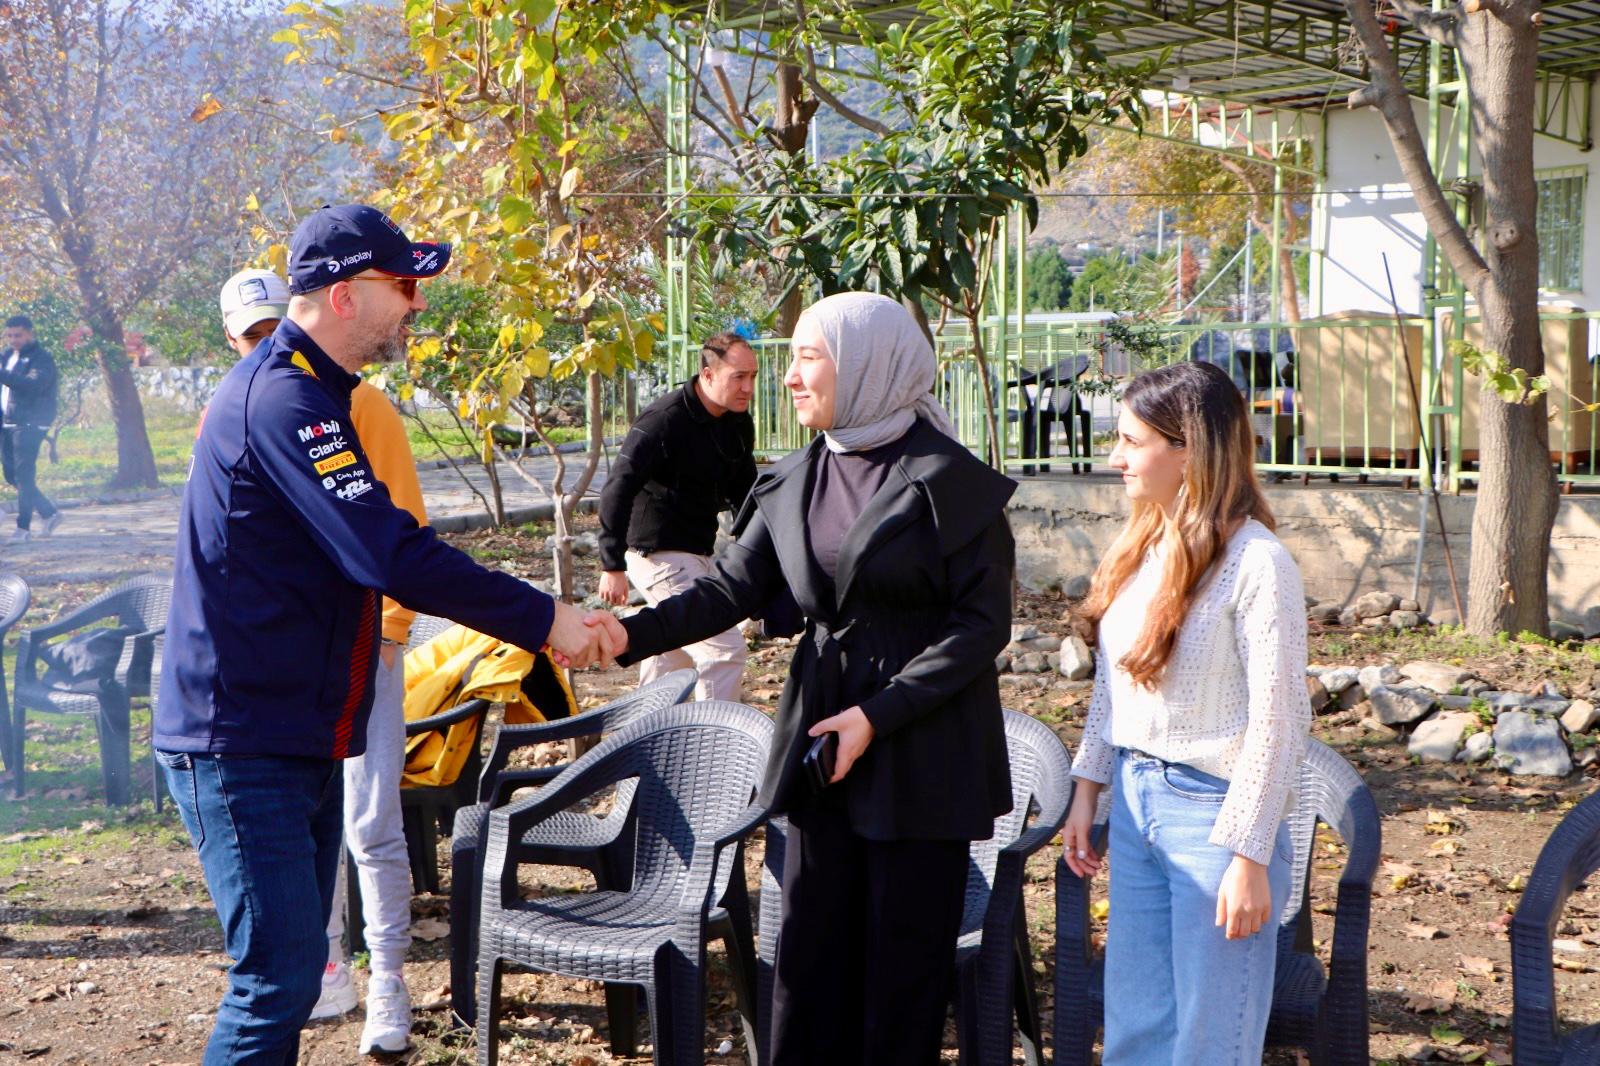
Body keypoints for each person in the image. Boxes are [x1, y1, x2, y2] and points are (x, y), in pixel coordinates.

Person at [157, 204, 614, 1065]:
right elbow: (389, 550)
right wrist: (546, 618)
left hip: (290, 730)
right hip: (238, 738)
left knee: (288, 981)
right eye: (403, 285)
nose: (416, 303)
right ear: (342, 296)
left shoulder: (317, 393)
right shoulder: (285, 400)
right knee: (277, 984)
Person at [585, 292, 1015, 1065]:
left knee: (901, 973)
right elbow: (724, 592)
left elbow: (980, 628)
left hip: (923, 749)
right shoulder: (795, 479)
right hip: (821, 743)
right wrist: (623, 633)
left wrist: (876, 717)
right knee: (810, 958)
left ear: (868, 364)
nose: (787, 378)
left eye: (808, 356)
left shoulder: (952, 482)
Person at [1060, 360, 1312, 1064]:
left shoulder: (1260, 564)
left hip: (1216, 821)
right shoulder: (1145, 544)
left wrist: (1249, 852)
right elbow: (1117, 684)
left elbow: (1279, 720)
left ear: (1188, 449)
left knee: (1211, 1040)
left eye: (1131, 441)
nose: (1115, 457)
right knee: (1137, 1030)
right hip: (1138, 810)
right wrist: (1090, 786)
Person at [217, 267, 424, 1053]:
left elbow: (401, 529)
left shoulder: (361, 404)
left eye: (277, 328)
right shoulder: (243, 404)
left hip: (368, 648)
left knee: (370, 822)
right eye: (252, 337)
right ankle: (327, 965)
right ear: (233, 341)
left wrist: (393, 632)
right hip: (291, 667)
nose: (268, 346)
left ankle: (391, 982)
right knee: (313, 831)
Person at [595, 331, 758, 701]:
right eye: (739, 377)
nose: (748, 388)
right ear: (708, 374)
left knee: (671, 656)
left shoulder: (736, 422)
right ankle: (712, 748)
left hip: (696, 553)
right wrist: (611, 564)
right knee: (724, 651)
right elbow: (618, 487)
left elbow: (745, 494)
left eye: (753, 377)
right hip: (656, 555)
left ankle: (640, 743)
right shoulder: (663, 421)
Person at [0, 315, 61, 543]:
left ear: (29, 334)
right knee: (12, 475)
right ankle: (49, 512)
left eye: (18, 335)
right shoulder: (6, 356)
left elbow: (33, 385)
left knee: (24, 476)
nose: (13, 340)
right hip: (8, 422)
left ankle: (22, 529)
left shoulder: (42, 359)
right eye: (10, 335)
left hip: (31, 423)